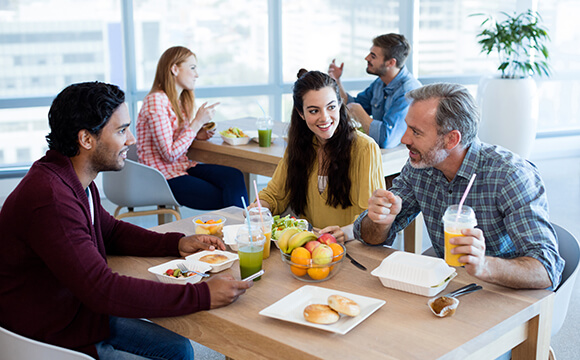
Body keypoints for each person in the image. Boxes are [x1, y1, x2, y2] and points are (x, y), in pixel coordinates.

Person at [0, 82, 253, 359]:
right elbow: (102, 289)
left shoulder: (72, 179)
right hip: (51, 337)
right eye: (122, 130)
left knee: (178, 349)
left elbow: (110, 231)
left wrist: (177, 243)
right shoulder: (51, 198)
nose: (131, 139)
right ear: (86, 139)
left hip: (77, 313)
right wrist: (202, 295)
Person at [354, 83, 564, 290]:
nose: (404, 138)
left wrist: (485, 266)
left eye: (416, 132)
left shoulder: (511, 176)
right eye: (407, 126)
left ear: (451, 139)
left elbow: (547, 269)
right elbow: (369, 238)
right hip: (450, 284)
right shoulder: (420, 166)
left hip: (503, 291)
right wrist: (381, 221)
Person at [250, 69, 385, 242]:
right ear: (301, 114)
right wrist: (260, 208)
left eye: (331, 107)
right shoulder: (299, 147)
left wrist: (346, 232)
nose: (325, 118)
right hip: (310, 249)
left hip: (353, 251)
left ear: (340, 104)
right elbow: (275, 195)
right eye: (314, 111)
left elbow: (372, 217)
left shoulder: (365, 149)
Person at [137, 46, 248, 210]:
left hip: (182, 167)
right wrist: (196, 123)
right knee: (227, 196)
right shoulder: (156, 101)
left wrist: (197, 133)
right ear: (174, 69)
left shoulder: (178, 101)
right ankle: (241, 232)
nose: (197, 74)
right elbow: (169, 154)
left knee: (234, 177)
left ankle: (240, 230)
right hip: (163, 177)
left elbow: (173, 139)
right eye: (192, 68)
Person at [328, 33, 421, 149]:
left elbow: (386, 139)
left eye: (373, 56)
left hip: (400, 159)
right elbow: (351, 104)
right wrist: (337, 80)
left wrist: (359, 112)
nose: (366, 58)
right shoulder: (380, 83)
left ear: (391, 63)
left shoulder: (408, 92)